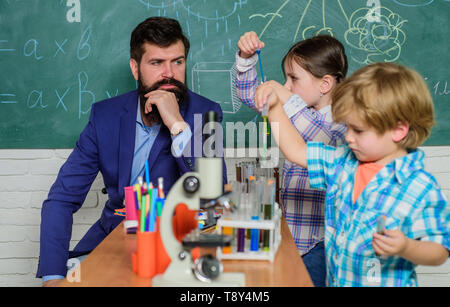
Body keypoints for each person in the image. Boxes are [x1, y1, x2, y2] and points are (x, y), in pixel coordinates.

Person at [37, 16, 226, 286]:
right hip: (111, 243)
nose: (169, 73)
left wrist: (177, 126)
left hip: (178, 250)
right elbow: (61, 199)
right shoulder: (105, 116)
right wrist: (53, 277)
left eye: (178, 61)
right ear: (135, 68)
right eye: (156, 63)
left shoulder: (207, 113)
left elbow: (213, 194)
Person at [255, 62, 449, 286]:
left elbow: (440, 250)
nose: (348, 137)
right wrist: (275, 107)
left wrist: (407, 247)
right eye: (347, 127)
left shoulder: (419, 186)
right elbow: (296, 151)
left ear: (399, 130)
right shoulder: (343, 162)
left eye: (358, 130)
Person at [235, 31, 348, 286]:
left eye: (294, 78)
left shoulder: (344, 122)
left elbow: (318, 132)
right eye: (285, 79)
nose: (287, 85)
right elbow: (251, 95)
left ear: (325, 84)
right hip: (291, 239)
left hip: (319, 246)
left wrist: (284, 98)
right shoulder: (299, 111)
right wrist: (246, 58)